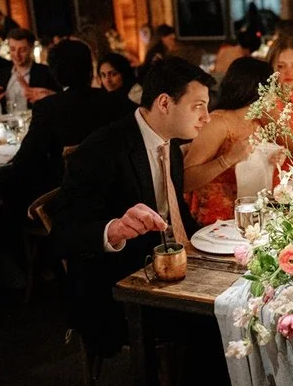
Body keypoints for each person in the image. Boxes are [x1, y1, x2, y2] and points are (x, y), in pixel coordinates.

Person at [53, 57, 213, 356]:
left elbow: (177, 216)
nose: (207, 117)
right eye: (198, 106)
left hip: (167, 271)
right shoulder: (103, 149)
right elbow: (63, 234)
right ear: (165, 103)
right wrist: (112, 230)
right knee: (219, 321)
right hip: (116, 288)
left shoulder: (171, 146)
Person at [11, 40, 136, 204]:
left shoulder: (47, 108)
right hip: (121, 194)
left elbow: (26, 159)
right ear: (90, 70)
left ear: (55, 73)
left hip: (69, 197)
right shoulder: (118, 102)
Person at [184, 58, 273, 225]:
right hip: (215, 220)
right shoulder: (218, 123)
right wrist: (228, 159)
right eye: (273, 87)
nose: (276, 95)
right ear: (257, 89)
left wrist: (273, 158)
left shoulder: (257, 122)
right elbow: (185, 180)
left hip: (251, 215)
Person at [0, 28, 60, 112]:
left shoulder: (46, 72)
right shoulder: (2, 74)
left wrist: (48, 96)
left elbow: (61, 101)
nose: (17, 55)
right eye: (12, 49)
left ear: (31, 49)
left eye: (22, 50)